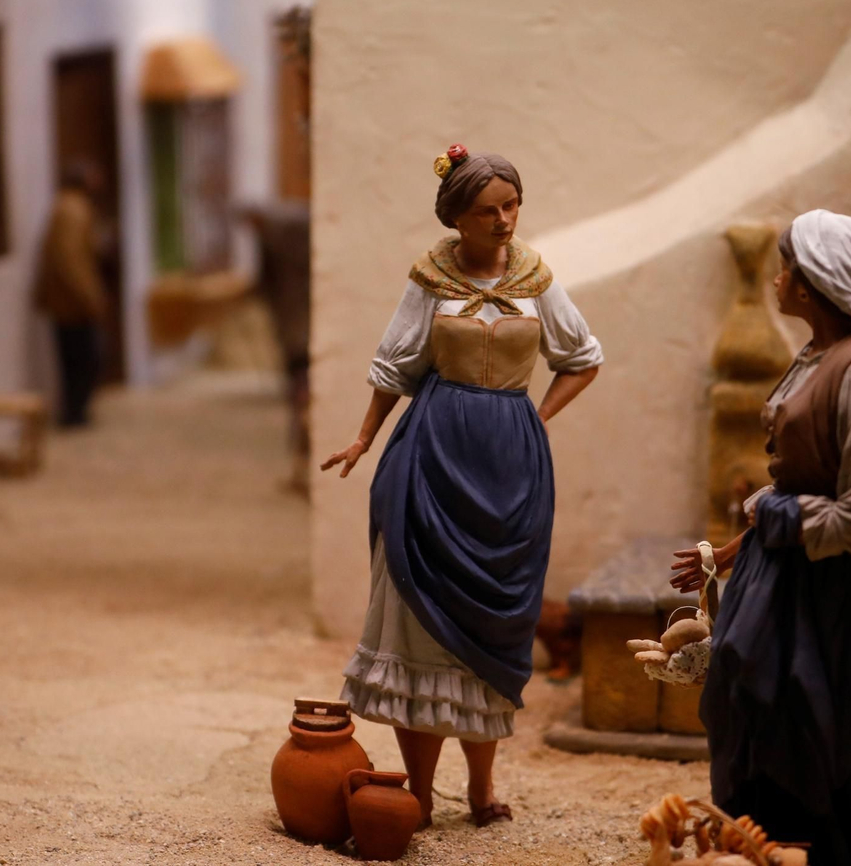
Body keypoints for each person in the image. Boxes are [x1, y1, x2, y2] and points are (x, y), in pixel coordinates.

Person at [322, 145, 602, 830]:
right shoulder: (431, 278)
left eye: (512, 206)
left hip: (509, 461)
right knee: (419, 611)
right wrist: (363, 437)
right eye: (487, 211)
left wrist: (534, 419)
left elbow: (582, 357)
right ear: (457, 218)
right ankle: (418, 790)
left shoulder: (535, 277)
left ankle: (481, 788)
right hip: (432, 453)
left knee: (494, 616)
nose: (504, 221)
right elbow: (395, 366)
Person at [671, 209, 851, 866]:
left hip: (834, 587)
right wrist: (737, 550)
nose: (778, 277)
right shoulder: (821, 353)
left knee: (821, 723)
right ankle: (766, 847)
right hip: (789, 574)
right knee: (756, 711)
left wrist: (788, 524)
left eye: (787, 267)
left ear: (813, 284)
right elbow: (798, 486)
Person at [35, 162, 110, 427]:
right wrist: (90, 296)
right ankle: (74, 413)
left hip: (68, 302)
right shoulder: (72, 209)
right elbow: (69, 260)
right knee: (83, 358)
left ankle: (75, 411)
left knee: (77, 358)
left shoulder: (69, 206)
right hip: (72, 304)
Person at [245, 201, 311, 493]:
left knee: (302, 396)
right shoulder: (297, 231)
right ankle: (302, 464)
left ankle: (303, 463)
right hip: (300, 328)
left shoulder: (274, 236)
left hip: (296, 332)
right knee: (303, 396)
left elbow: (263, 283)